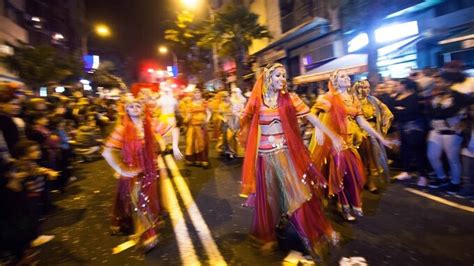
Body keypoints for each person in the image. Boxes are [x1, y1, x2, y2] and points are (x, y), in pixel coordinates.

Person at [239, 63, 342, 259]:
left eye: (284, 76)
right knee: (270, 199)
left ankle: (316, 234)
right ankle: (268, 237)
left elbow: (312, 118)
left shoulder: (290, 99)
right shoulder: (256, 102)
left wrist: (330, 134)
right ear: (268, 77)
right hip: (264, 158)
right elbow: (242, 123)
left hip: (285, 156)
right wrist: (238, 113)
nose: (282, 79)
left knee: (298, 196)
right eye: (278, 75)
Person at [102, 94, 183, 252]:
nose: (134, 108)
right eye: (130, 106)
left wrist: (175, 146)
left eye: (137, 106)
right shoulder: (122, 129)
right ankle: (148, 235)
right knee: (139, 203)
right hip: (133, 172)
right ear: (126, 109)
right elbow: (107, 152)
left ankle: (148, 233)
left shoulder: (151, 123)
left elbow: (173, 129)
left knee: (146, 201)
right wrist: (121, 169)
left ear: (142, 108)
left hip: (151, 170)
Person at [310, 70, 393, 221]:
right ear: (335, 82)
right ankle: (344, 207)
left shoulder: (354, 99)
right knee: (341, 175)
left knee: (357, 175)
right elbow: (313, 113)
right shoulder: (328, 97)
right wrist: (318, 130)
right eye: (342, 76)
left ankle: (350, 204)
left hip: (350, 143)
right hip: (335, 143)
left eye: (347, 76)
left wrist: (380, 137)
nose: (347, 78)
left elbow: (362, 122)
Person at [427, 71, 474, 193]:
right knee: (432, 156)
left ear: (448, 82)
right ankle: (442, 178)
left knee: (452, 159)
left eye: (439, 81)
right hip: (436, 130)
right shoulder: (436, 95)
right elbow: (430, 112)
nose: (436, 83)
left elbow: (450, 112)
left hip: (451, 132)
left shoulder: (458, 96)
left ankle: (455, 183)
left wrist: (438, 113)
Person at [354, 80, 393, 192]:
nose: (368, 89)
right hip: (358, 135)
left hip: (373, 133)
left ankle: (370, 183)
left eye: (368, 87)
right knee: (360, 160)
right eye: (365, 87)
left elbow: (386, 112)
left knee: (373, 159)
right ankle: (360, 181)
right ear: (358, 88)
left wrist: (382, 128)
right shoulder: (352, 101)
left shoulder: (373, 100)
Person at [390, 79, 429, 186]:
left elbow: (411, 112)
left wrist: (399, 110)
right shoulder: (397, 96)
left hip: (414, 127)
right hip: (401, 126)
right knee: (404, 150)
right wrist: (400, 110)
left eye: (398, 85)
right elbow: (392, 110)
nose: (396, 87)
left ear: (405, 86)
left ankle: (423, 176)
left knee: (417, 150)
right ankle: (406, 171)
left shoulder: (415, 97)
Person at [184, 88, 211, 168]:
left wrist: (207, 120)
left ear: (200, 94)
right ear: (193, 95)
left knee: (202, 143)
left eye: (198, 93)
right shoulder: (190, 104)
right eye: (195, 93)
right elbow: (188, 114)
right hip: (193, 126)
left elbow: (208, 113)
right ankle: (194, 160)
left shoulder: (204, 103)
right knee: (191, 143)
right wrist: (185, 120)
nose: (197, 95)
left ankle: (203, 160)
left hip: (202, 126)